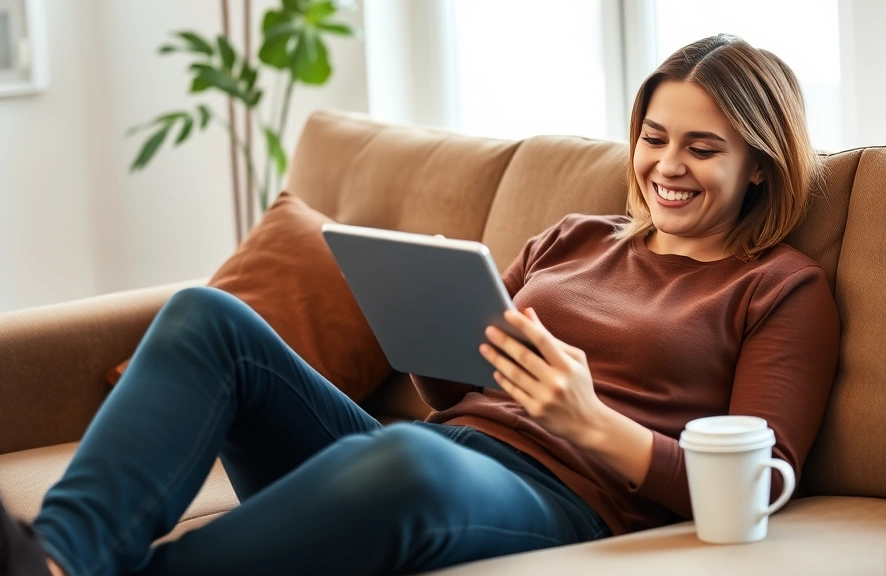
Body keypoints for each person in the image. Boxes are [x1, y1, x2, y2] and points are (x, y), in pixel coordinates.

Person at [0, 33, 840, 576]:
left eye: (703, 148)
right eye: (654, 139)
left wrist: (589, 421)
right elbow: (465, 390)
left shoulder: (779, 288)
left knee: (409, 460)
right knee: (205, 319)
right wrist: (431, 339)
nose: (667, 167)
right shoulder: (580, 235)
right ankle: (57, 560)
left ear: (760, 164)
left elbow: (763, 484)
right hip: (447, 450)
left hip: (563, 501)